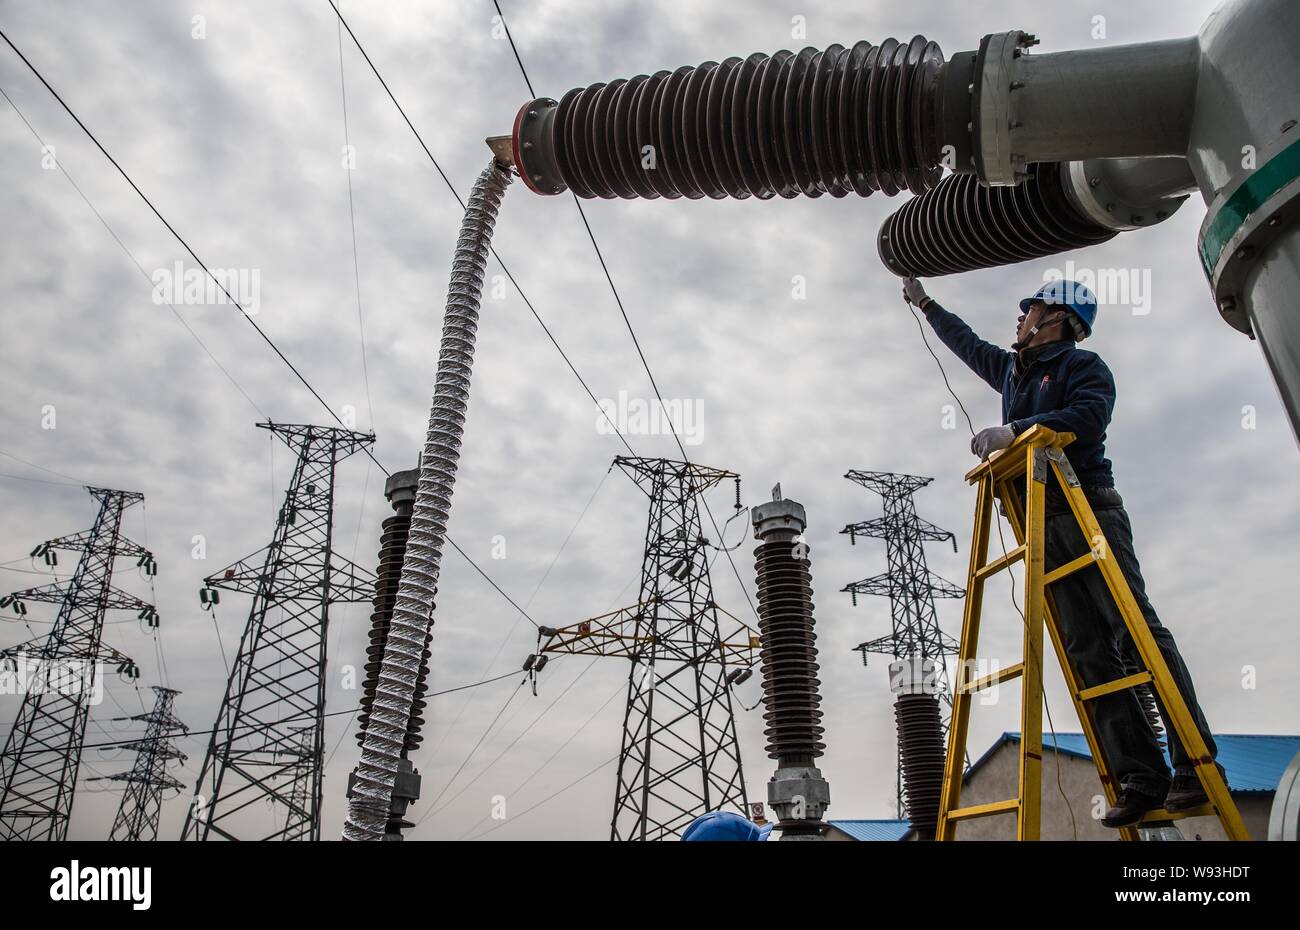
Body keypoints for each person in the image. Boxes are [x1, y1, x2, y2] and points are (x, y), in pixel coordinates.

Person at [902, 276, 1225, 828]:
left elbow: (1087, 419)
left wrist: (1019, 431)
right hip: (1040, 522)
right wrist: (925, 303)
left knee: (1133, 631)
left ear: (1055, 318)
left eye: (1028, 308)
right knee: (1087, 651)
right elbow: (968, 343)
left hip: (1089, 511)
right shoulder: (1012, 371)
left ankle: (1192, 761)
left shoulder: (1084, 367)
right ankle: (1141, 778)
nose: (1020, 316)